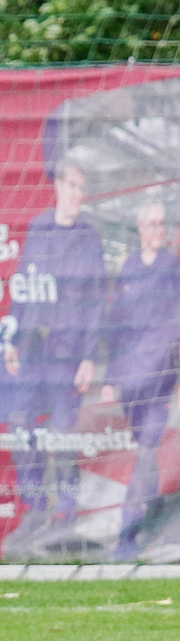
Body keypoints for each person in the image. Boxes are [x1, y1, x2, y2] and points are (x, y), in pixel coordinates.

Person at [0, 156, 106, 557]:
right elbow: (23, 286)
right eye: (72, 186)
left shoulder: (89, 238)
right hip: (32, 349)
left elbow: (97, 302)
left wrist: (89, 357)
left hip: (68, 353)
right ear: (58, 187)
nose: (78, 194)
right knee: (22, 426)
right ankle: (35, 506)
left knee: (63, 431)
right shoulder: (39, 229)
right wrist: (13, 340)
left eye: (82, 188)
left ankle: (66, 509)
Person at [99, 200, 180, 559]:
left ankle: (126, 533)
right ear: (139, 227)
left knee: (147, 450)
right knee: (143, 450)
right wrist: (110, 378)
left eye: (162, 224)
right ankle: (153, 512)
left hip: (161, 381)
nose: (157, 230)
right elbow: (116, 325)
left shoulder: (172, 268)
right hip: (132, 384)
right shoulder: (129, 268)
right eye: (151, 224)